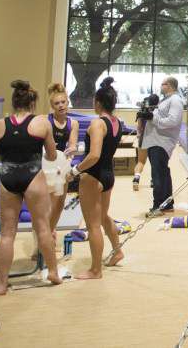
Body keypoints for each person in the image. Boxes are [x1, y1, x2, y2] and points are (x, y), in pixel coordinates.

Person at [0, 80, 62, 294]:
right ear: (32, 103)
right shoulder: (41, 123)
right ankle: (53, 273)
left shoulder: (0, 125)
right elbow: (52, 155)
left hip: (8, 178)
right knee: (43, 227)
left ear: (13, 102)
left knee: (7, 234)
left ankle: (2, 284)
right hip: (33, 177)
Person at [71, 77, 124, 278]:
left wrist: (75, 171)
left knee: (93, 224)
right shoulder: (117, 122)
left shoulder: (97, 124)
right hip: (109, 174)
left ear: (98, 103)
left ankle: (95, 270)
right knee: (102, 217)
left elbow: (93, 155)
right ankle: (117, 250)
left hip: (93, 176)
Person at [140, 77, 183, 214]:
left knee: (158, 174)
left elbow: (173, 121)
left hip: (162, 142)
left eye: (163, 84)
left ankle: (157, 205)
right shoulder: (165, 100)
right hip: (155, 140)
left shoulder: (175, 100)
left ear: (170, 86)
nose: (161, 86)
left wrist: (152, 117)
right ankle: (167, 203)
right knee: (163, 172)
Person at [46, 83, 79, 243]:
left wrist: (72, 149)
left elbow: (72, 144)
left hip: (62, 164)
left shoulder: (73, 123)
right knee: (48, 204)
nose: (60, 106)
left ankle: (51, 229)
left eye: (63, 102)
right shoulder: (46, 121)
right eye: (56, 103)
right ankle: (43, 236)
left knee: (59, 203)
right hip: (46, 165)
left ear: (67, 102)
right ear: (52, 106)